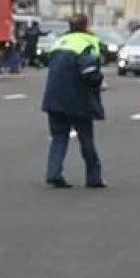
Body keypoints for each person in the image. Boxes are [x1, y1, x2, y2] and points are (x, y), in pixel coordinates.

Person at [41, 13, 105, 189]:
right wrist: (99, 81)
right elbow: (89, 72)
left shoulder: (59, 42)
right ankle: (93, 178)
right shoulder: (87, 43)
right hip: (78, 99)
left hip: (53, 98)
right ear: (87, 25)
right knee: (86, 140)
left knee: (59, 137)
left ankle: (53, 173)